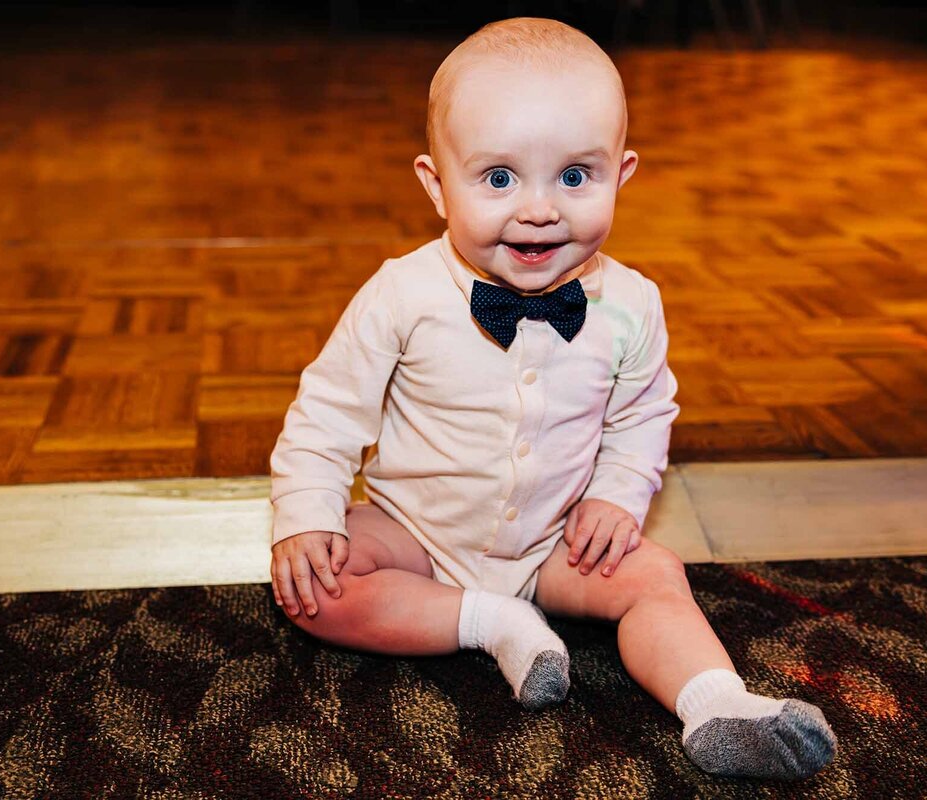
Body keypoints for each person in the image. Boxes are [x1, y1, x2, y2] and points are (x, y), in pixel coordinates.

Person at [269, 17, 836, 780]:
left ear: (621, 175)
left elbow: (643, 415)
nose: (540, 209)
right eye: (498, 178)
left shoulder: (632, 303)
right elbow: (328, 412)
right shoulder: (401, 294)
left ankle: (717, 703)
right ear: (437, 185)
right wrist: (304, 516)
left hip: (555, 541)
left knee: (657, 575)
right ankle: (491, 624)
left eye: (575, 176)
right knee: (316, 588)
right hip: (416, 532)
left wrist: (616, 496)